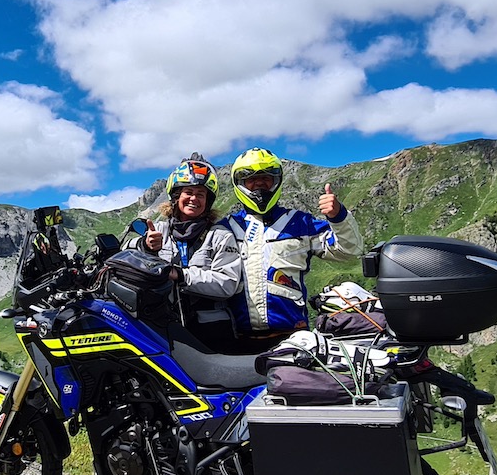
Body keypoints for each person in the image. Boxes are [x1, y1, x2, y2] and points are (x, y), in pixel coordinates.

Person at [225, 147, 363, 352]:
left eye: (266, 178)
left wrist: (338, 216)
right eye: (251, 179)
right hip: (237, 337)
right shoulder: (226, 228)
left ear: (277, 181)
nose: (259, 184)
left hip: (292, 336)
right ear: (240, 184)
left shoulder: (300, 223)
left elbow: (348, 251)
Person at [134, 154, 242, 346]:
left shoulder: (220, 235)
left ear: (207, 202)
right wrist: (146, 247)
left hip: (214, 333)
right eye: (188, 192)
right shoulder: (158, 229)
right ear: (176, 197)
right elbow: (128, 256)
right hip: (163, 329)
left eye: (201, 194)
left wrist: (181, 275)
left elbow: (227, 283)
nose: (194, 199)